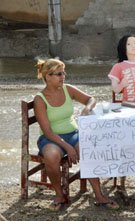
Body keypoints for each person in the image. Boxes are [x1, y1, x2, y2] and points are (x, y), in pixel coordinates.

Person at [35, 58, 115, 210]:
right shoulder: (40, 99)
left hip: (73, 133)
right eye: (59, 74)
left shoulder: (68, 89)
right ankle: (59, 195)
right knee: (51, 155)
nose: (63, 76)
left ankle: (99, 195)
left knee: (87, 150)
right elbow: (47, 131)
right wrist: (67, 147)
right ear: (48, 77)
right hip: (50, 138)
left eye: (63, 73)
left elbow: (91, 99)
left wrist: (86, 109)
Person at [108, 35, 135, 104]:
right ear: (123, 47)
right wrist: (122, 84)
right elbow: (115, 89)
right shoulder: (118, 66)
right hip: (128, 106)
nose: (133, 46)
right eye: (129, 44)